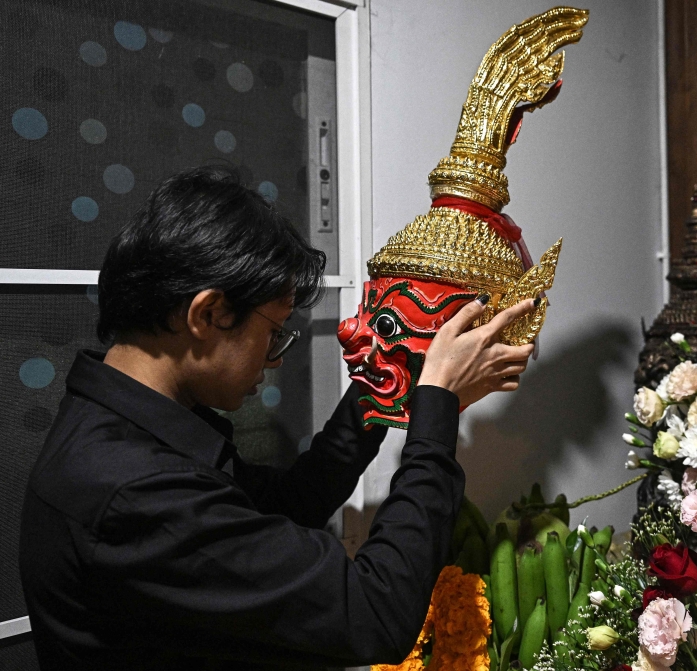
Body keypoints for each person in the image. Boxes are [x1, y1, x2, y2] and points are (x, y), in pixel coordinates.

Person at [19, 166, 535, 670]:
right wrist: (436, 406)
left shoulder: (125, 425)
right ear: (208, 314)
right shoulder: (131, 490)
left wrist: (389, 377)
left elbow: (288, 505)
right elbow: (375, 614)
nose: (277, 357)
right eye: (274, 332)